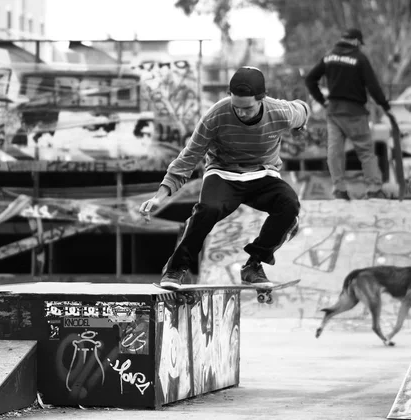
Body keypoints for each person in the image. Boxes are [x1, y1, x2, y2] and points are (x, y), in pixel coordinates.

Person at [139, 66, 310, 289]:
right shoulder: (216, 115)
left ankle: (253, 265)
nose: (241, 113)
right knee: (207, 211)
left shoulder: (281, 112)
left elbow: (303, 109)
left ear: (262, 99)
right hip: (223, 174)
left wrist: (302, 123)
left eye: (247, 109)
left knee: (289, 206)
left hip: (263, 174)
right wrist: (160, 196)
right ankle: (175, 269)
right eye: (236, 107)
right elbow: (189, 156)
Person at [305, 28, 396, 200]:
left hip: (333, 113)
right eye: (359, 44)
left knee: (335, 151)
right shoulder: (359, 59)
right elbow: (373, 86)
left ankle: (339, 188)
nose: (360, 47)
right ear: (355, 41)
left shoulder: (329, 56)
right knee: (366, 151)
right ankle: (374, 189)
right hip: (355, 113)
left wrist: (322, 101)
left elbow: (310, 79)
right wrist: (384, 105)